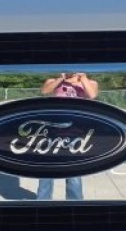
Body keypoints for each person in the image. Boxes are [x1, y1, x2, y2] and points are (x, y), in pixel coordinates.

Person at [36, 72, 99, 201]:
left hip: (76, 132)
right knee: (46, 170)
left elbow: (92, 95)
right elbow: (44, 91)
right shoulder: (54, 80)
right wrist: (61, 78)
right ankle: (42, 203)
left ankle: (75, 204)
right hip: (52, 132)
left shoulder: (90, 83)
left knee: (74, 173)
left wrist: (83, 78)